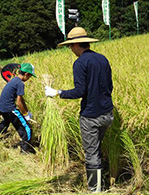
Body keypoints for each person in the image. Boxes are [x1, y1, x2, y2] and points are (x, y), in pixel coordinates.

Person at [44, 27, 114, 192]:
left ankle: (95, 189)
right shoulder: (102, 59)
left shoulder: (80, 63)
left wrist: (58, 93)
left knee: (91, 154)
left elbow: (79, 91)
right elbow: (109, 86)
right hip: (107, 113)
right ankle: (101, 183)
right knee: (96, 149)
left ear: (76, 44)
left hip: (91, 116)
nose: (70, 50)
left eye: (70, 46)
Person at [0, 63, 36, 154]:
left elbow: (21, 100)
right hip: (10, 109)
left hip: (3, 108)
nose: (29, 79)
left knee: (5, 123)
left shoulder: (14, 81)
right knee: (27, 128)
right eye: (30, 76)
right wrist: (26, 115)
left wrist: (27, 111)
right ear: (26, 74)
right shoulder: (20, 83)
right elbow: (18, 102)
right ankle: (25, 149)